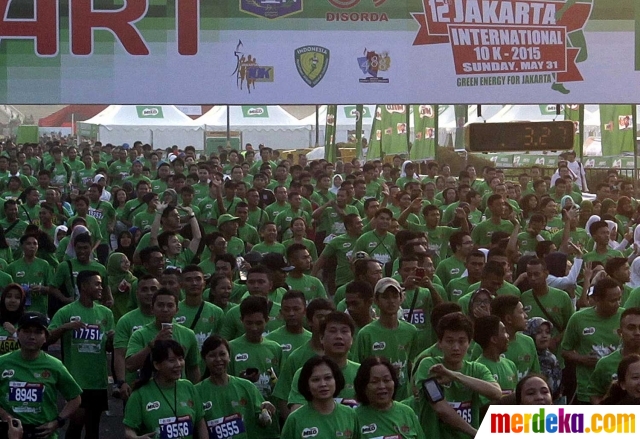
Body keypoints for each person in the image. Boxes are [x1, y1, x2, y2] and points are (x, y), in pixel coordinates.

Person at [47, 270, 115, 439]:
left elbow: (107, 347)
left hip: (98, 379)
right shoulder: (66, 311)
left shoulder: (106, 313)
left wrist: (112, 340)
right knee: (76, 423)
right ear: (84, 286)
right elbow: (47, 338)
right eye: (97, 284)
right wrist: (65, 327)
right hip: (76, 379)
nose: (101, 288)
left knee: (93, 428)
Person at [412, 312, 501, 439]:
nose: (456, 347)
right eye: (449, 341)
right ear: (440, 343)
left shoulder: (477, 369)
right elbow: (441, 408)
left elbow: (496, 393)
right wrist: (475, 433)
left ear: (469, 343)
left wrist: (455, 376)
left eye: (461, 341)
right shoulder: (429, 366)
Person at [0, 312, 82, 439]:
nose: (32, 336)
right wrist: (4, 414)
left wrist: (58, 421)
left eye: (38, 332)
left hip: (42, 433)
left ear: (45, 337)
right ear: (18, 333)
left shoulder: (55, 365)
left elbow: (75, 398)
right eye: (26, 331)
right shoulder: (3, 362)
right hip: (10, 431)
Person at [196, 335, 278, 439]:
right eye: (212, 355)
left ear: (229, 357)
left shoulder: (247, 387)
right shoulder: (196, 392)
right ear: (204, 359)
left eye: (222, 354)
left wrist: (267, 412)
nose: (218, 359)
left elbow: (262, 422)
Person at [123, 340, 208, 439]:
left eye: (180, 359)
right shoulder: (140, 394)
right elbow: (128, 430)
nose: (178, 364)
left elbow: (200, 423)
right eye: (171, 360)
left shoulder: (188, 387)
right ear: (157, 365)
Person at [561, 277, 623, 404]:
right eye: (612, 300)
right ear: (597, 300)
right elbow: (565, 350)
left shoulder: (626, 318)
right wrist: (582, 359)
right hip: (588, 390)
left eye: (619, 299)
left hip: (620, 390)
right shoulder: (578, 318)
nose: (618, 304)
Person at [126, 288, 201, 384]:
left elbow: (193, 367)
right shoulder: (140, 334)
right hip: (149, 391)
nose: (165, 309)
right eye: (160, 305)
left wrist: (195, 392)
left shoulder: (188, 334)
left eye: (170, 306)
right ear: (152, 308)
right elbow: (130, 366)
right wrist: (153, 344)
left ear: (177, 310)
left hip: (178, 391)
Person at [281, 356, 360, 439]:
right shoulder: (295, 420)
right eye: (316, 380)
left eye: (328, 378)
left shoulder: (350, 414)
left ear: (336, 380)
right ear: (307, 385)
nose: (323, 384)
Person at [113, 275, 160, 401]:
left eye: (153, 289)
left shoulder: (168, 318)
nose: (149, 293)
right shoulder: (126, 320)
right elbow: (119, 354)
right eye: (144, 289)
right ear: (137, 293)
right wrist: (121, 382)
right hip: (134, 386)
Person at [354, 356, 426, 439]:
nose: (382, 386)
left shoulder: (407, 412)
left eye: (386, 380)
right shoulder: (354, 417)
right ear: (363, 386)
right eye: (374, 381)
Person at [588, 307, 640, 404]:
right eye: (631, 328)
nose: (637, 333)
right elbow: (595, 394)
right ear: (620, 332)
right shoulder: (605, 363)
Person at [266, 290, 311, 363]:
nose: (291, 313)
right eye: (286, 310)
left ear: (305, 311)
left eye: (296, 309)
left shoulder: (311, 340)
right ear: (281, 312)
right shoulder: (270, 340)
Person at [523, 317, 562, 400]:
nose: (544, 336)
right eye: (539, 332)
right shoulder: (523, 356)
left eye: (547, 332)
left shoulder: (552, 358)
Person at [107, 252, 136, 323]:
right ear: (114, 263)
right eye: (122, 262)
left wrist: (131, 288)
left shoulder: (133, 279)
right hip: (112, 314)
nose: (126, 264)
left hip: (129, 314)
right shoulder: (107, 281)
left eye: (127, 261)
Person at [0, 284, 25, 355]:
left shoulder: (26, 322)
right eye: (8, 296)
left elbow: (32, 347)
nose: (12, 300)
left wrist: (14, 333)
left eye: (17, 297)